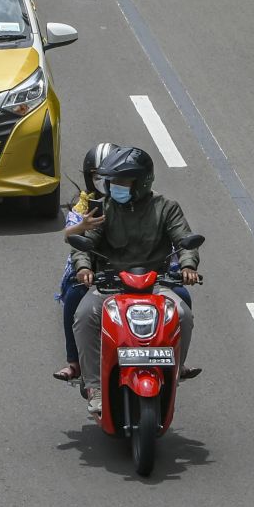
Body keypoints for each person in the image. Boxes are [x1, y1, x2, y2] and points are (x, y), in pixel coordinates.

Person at [70, 146, 202, 418]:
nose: (115, 187)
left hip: (156, 283)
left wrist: (188, 265)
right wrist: (84, 268)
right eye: (112, 182)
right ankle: (94, 387)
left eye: (123, 182)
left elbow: (184, 240)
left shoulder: (166, 208)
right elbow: (83, 245)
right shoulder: (103, 208)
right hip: (110, 284)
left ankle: (175, 369)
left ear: (142, 182)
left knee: (183, 314)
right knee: (84, 315)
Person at [52, 142, 117, 382]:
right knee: (73, 296)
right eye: (97, 176)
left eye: (110, 175)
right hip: (92, 272)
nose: (103, 181)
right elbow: (69, 236)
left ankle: (172, 360)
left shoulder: (141, 203)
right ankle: (74, 362)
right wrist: (84, 227)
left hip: (134, 270)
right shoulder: (84, 204)